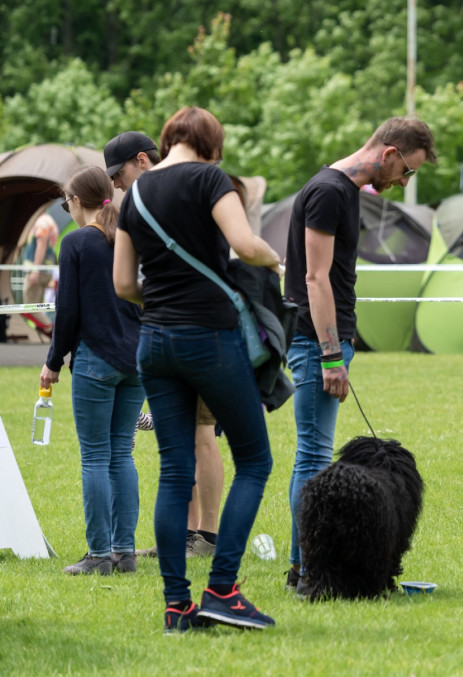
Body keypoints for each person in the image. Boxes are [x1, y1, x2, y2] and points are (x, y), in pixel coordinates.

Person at [113, 107, 281, 632]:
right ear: (211, 144)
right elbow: (244, 245)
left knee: (174, 470)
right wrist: (276, 261)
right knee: (254, 460)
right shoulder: (210, 178)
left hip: (154, 343)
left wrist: (165, 303)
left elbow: (123, 284)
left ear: (167, 140)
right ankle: (223, 590)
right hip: (209, 337)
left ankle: (176, 606)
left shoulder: (134, 195)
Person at [283, 116, 436, 593]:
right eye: (407, 170)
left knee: (312, 453)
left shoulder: (345, 190)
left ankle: (303, 566)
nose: (404, 182)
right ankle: (307, 570)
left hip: (326, 340)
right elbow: (314, 278)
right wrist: (331, 355)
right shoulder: (330, 191)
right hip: (315, 342)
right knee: (313, 456)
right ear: (389, 153)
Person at [104, 130, 221, 560]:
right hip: (167, 333)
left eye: (119, 175)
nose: (117, 186)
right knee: (177, 438)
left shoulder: (194, 189)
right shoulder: (147, 201)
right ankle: (186, 535)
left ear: (141, 159)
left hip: (203, 331)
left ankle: (208, 537)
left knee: (202, 434)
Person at [40, 166, 146, 576]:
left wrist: (52, 362)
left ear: (75, 201)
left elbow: (67, 311)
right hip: (135, 361)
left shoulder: (76, 242)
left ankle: (99, 554)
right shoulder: (129, 236)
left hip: (95, 360)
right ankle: (125, 553)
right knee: (122, 455)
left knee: (96, 457)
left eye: (65, 199)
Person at [22, 212, 59, 324]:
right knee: (36, 307)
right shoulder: (48, 220)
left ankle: (50, 329)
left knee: (30, 308)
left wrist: (35, 270)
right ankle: (48, 330)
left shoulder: (42, 223)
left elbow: (41, 247)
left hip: (38, 272)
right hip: (44, 271)